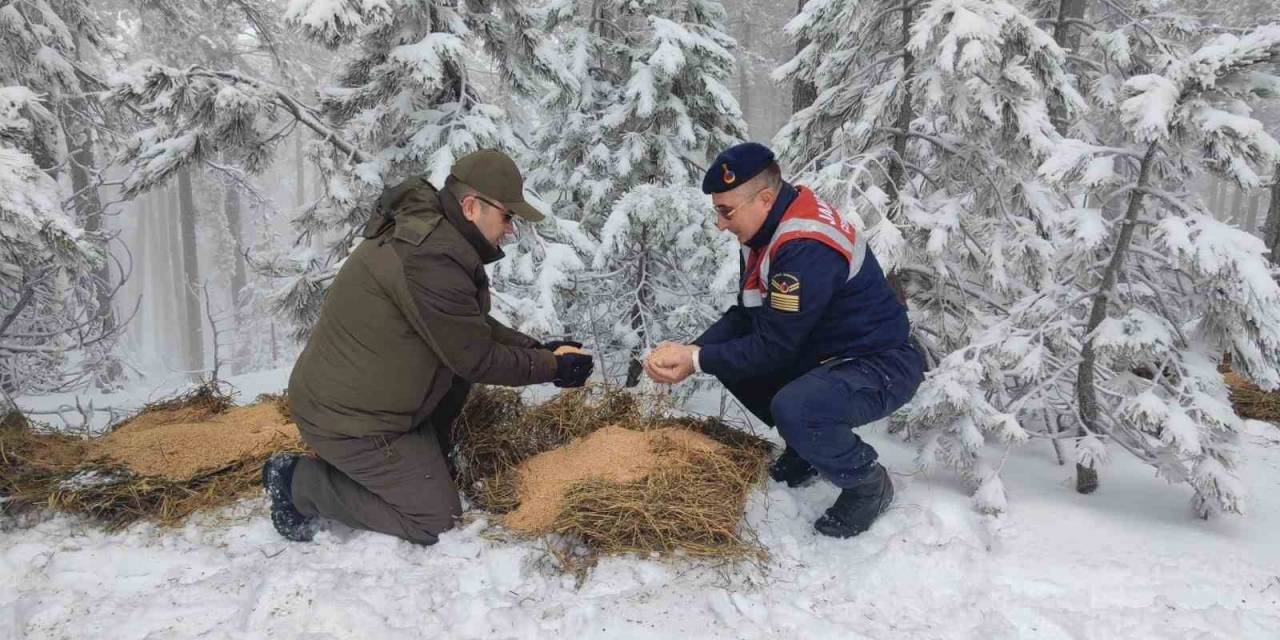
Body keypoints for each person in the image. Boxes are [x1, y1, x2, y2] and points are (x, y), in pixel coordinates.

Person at [262, 150, 593, 544]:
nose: (510, 230)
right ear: (471, 207)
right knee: (434, 518)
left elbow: (463, 326)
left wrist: (539, 349)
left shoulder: (434, 237)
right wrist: (551, 368)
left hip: (368, 403)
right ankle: (299, 482)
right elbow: (475, 356)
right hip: (350, 422)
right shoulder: (430, 257)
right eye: (508, 217)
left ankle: (419, 458)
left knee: (451, 371)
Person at [644, 142, 923, 538]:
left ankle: (867, 483)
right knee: (727, 361)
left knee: (794, 406)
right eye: (716, 210)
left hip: (879, 364)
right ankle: (806, 450)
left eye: (725, 211)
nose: (720, 223)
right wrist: (692, 351)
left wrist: (696, 360)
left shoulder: (802, 246)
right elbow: (747, 314)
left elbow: (774, 347)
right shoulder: (766, 228)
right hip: (828, 352)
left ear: (764, 198)